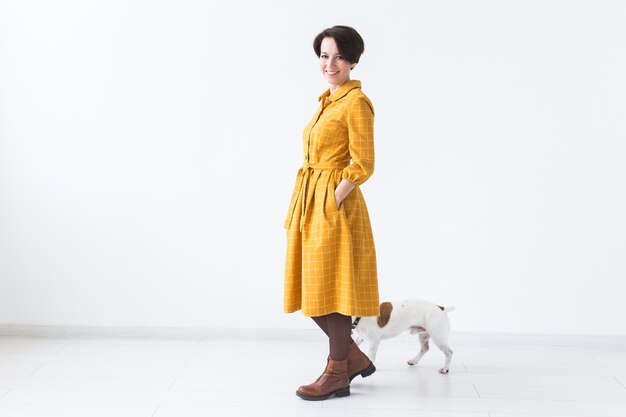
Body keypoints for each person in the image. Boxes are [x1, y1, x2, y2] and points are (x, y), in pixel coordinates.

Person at [283, 25, 380, 401]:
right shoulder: (328, 99)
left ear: (353, 60)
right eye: (324, 55)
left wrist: (335, 197)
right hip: (311, 198)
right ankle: (352, 358)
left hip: (332, 204)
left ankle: (336, 372)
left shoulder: (356, 102)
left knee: (330, 290)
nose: (330, 63)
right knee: (311, 287)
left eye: (338, 56)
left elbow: (364, 162)